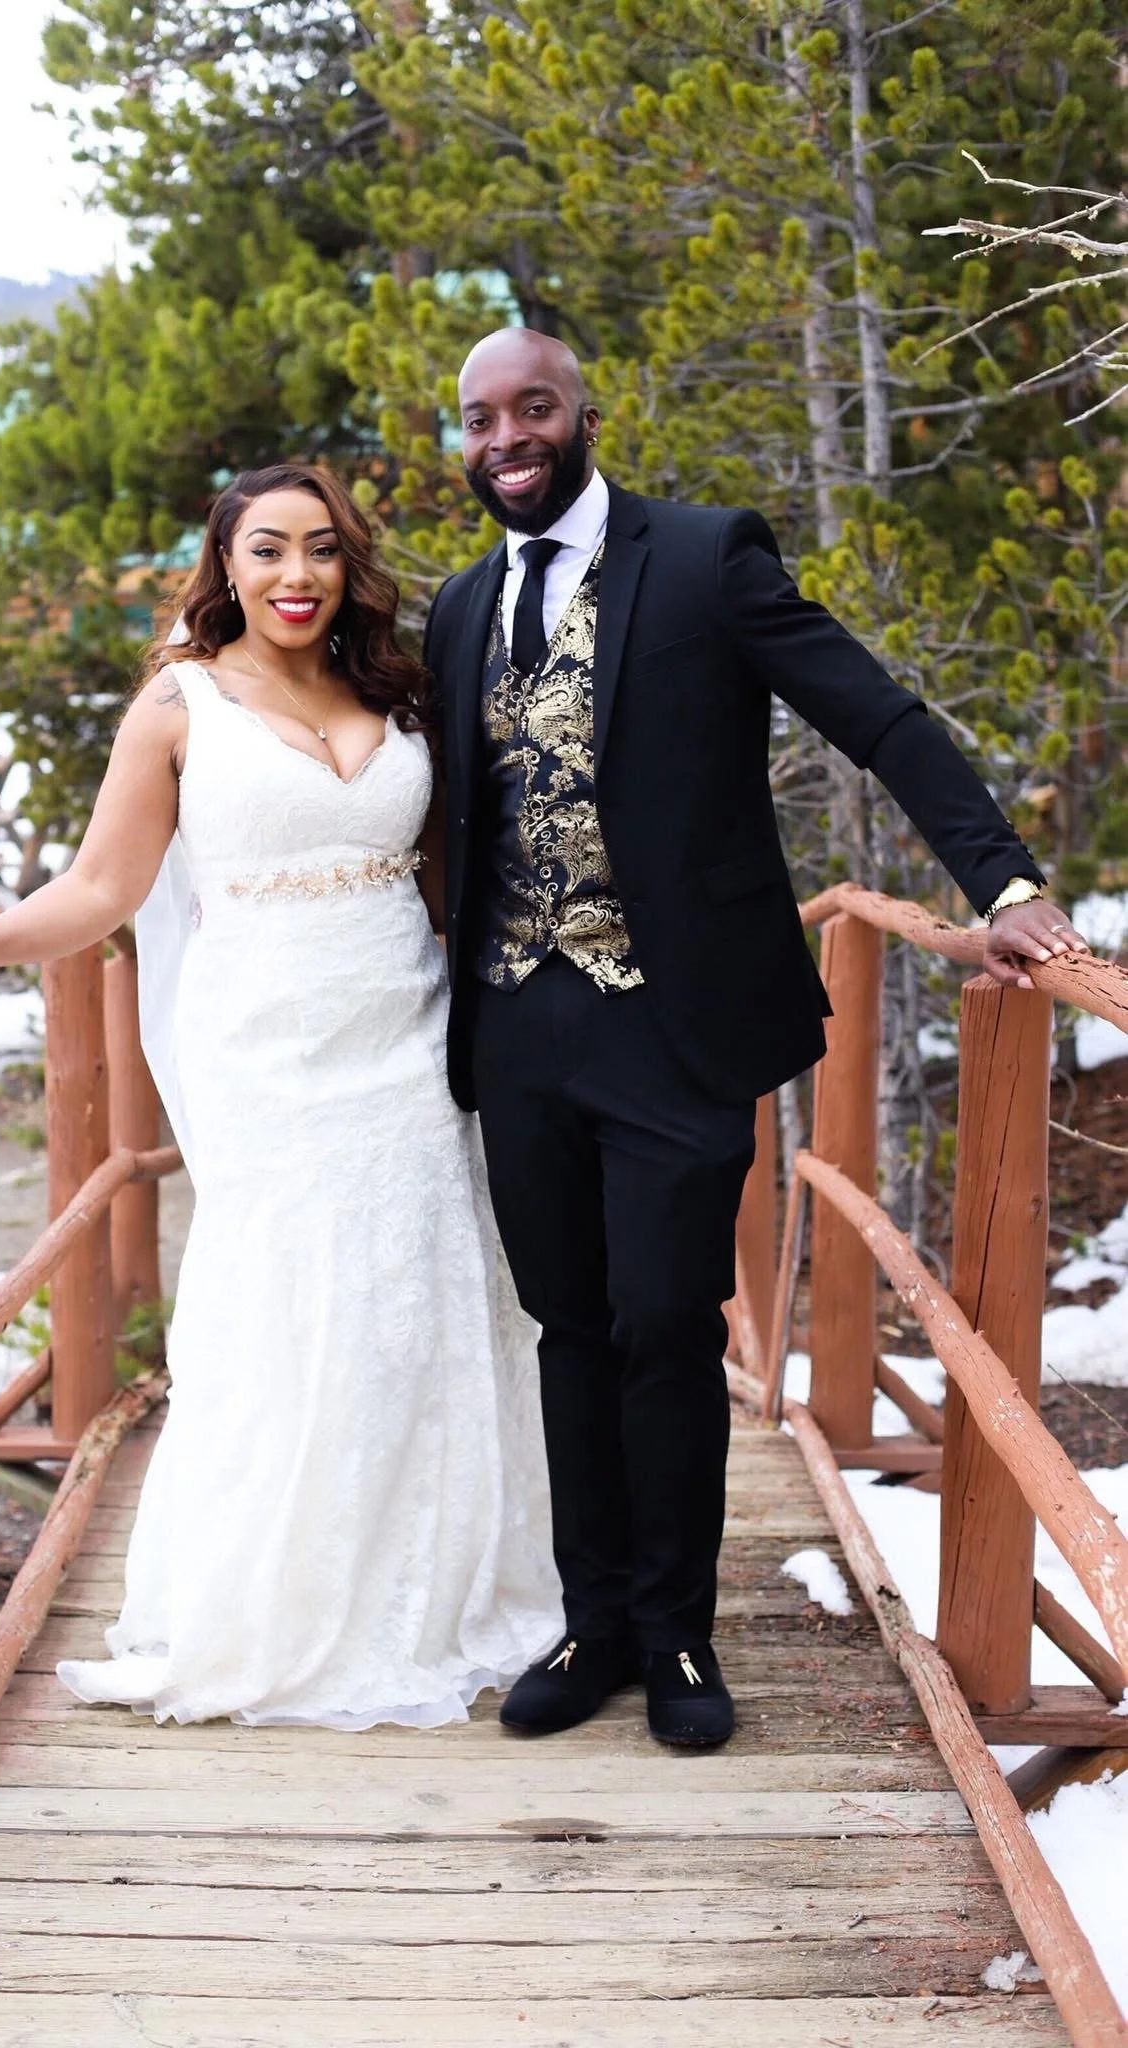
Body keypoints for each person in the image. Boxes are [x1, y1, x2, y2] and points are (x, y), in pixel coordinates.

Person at [423, 327, 1090, 1749]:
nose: (504, 440)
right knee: (569, 1331)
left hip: (671, 1023)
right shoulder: (460, 606)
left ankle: (673, 1638)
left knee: (666, 1324)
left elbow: (876, 718)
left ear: (581, 410)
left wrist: (1004, 886)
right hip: (518, 1025)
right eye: (477, 421)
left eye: (529, 408)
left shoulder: (705, 556)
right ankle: (590, 1619)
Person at [0, 461, 563, 1729]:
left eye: (321, 551)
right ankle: (278, 1603)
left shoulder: (394, 691)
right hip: (270, 1053)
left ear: (348, 566)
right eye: (268, 551)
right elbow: (98, 892)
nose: (297, 575)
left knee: (424, 1295)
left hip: (410, 1036)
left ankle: (434, 1586)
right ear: (226, 566)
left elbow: (457, 868)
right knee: (291, 1304)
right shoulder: (177, 705)